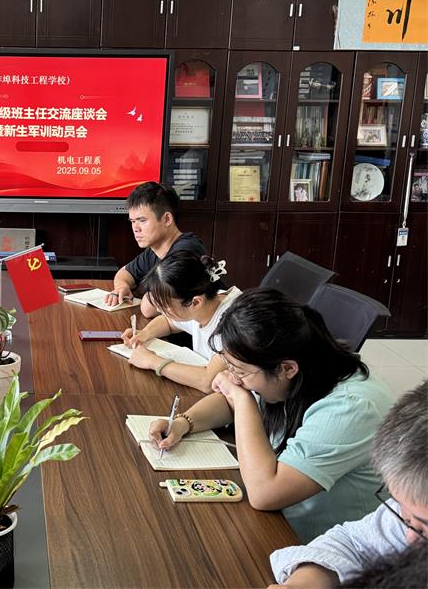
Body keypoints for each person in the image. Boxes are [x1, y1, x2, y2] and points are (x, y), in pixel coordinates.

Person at [149, 288, 393, 542]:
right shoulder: (295, 368)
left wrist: (241, 398)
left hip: (321, 543)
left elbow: (264, 494)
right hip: (278, 521)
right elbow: (227, 403)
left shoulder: (350, 408)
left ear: (287, 368)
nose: (233, 379)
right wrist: (183, 423)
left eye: (240, 372)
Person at [268, 381, 427, 588]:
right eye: (404, 514)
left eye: (423, 527)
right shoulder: (415, 508)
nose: (410, 537)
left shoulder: (353, 406)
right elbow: (354, 544)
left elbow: (266, 492)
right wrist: (300, 584)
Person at [121, 252, 240, 393]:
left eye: (165, 306)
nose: (159, 310)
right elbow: (169, 322)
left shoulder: (233, 322)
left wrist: (152, 361)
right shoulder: (203, 302)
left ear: (195, 303)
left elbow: (208, 381)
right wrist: (145, 333)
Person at [104, 181, 206, 318]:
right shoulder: (155, 249)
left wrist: (147, 296)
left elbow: (149, 309)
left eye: (142, 220)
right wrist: (122, 287)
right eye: (133, 221)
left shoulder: (186, 251)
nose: (136, 229)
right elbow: (124, 273)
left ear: (167, 219)